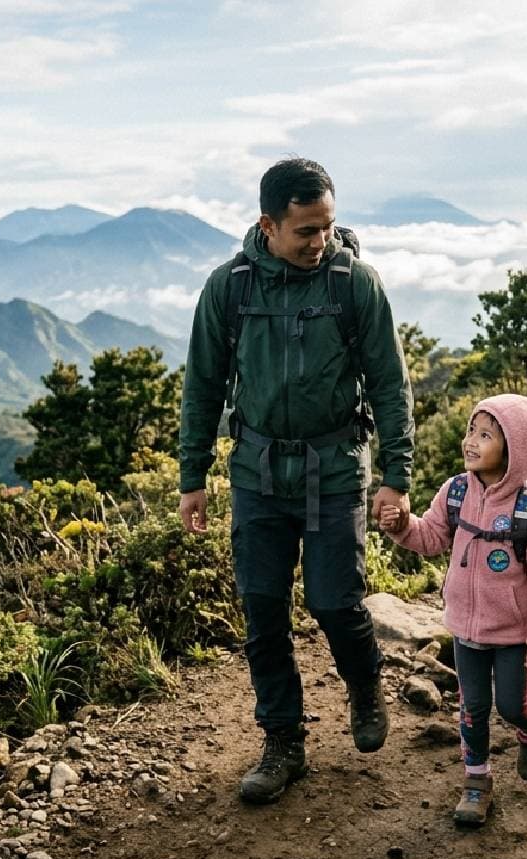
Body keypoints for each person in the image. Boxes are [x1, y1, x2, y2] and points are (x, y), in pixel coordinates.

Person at [178, 157, 415, 804]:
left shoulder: (352, 284)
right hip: (256, 473)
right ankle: (282, 742)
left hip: (335, 469)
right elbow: (200, 383)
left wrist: (396, 474)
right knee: (262, 612)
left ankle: (364, 681)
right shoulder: (229, 289)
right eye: (306, 231)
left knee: (335, 602)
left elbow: (390, 383)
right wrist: (190, 474)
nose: (320, 243)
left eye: (328, 229)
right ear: (268, 224)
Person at [380, 393, 527, 827]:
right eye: (470, 431)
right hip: (465, 629)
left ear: (516, 449)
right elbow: (431, 537)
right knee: (472, 708)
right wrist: (404, 527)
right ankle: (477, 782)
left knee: (511, 707)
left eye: (485, 435)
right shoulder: (457, 490)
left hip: (514, 634)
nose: (471, 442)